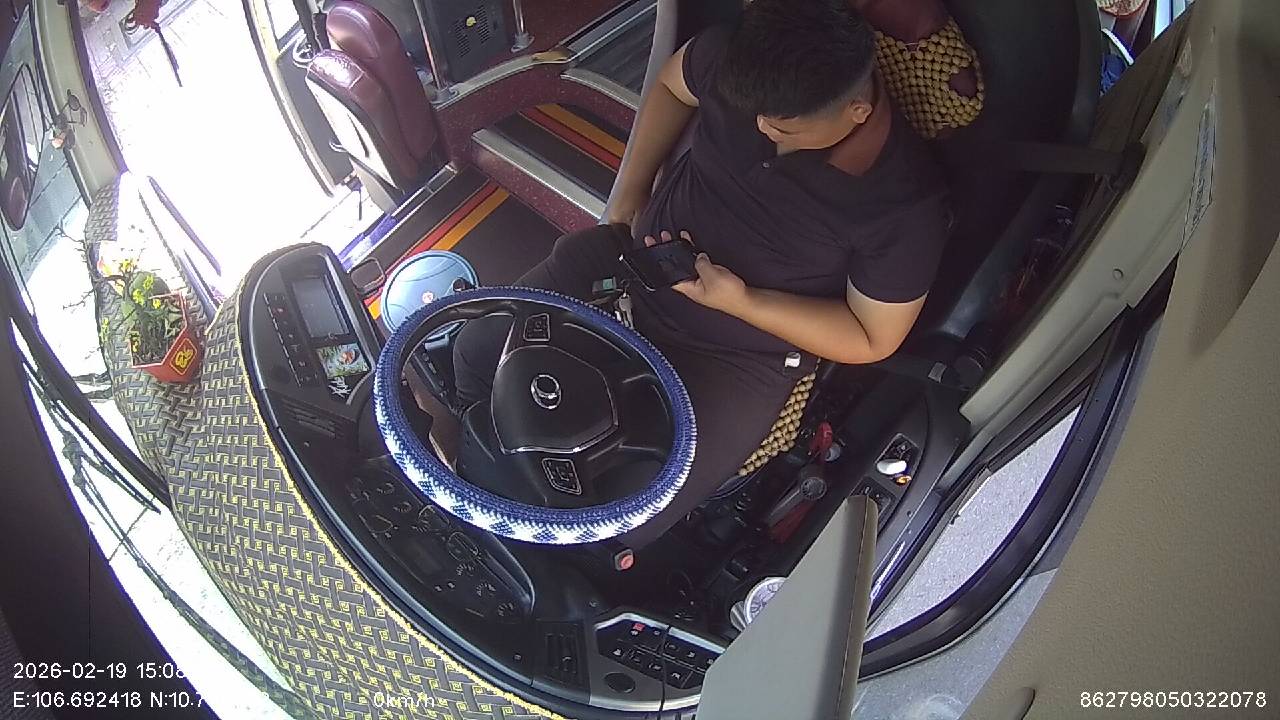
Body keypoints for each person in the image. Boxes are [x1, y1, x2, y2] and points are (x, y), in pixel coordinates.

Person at [454, 0, 951, 546]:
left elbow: (871, 336)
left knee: (617, 513)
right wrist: (629, 193)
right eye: (755, 114)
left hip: (733, 351)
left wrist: (743, 301)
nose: (761, 129)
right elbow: (672, 87)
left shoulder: (902, 207)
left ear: (856, 111)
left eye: (783, 127)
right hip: (626, 263)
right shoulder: (738, 59)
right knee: (473, 350)